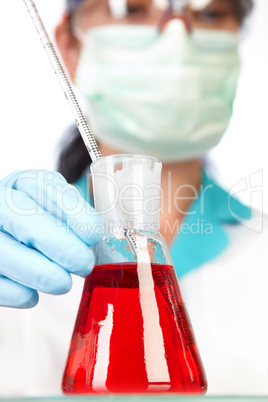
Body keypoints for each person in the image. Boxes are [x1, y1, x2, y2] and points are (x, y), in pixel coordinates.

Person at [0, 0, 268, 397]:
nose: (176, 40)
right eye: (131, 9)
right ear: (70, 48)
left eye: (210, 13)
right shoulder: (16, 248)